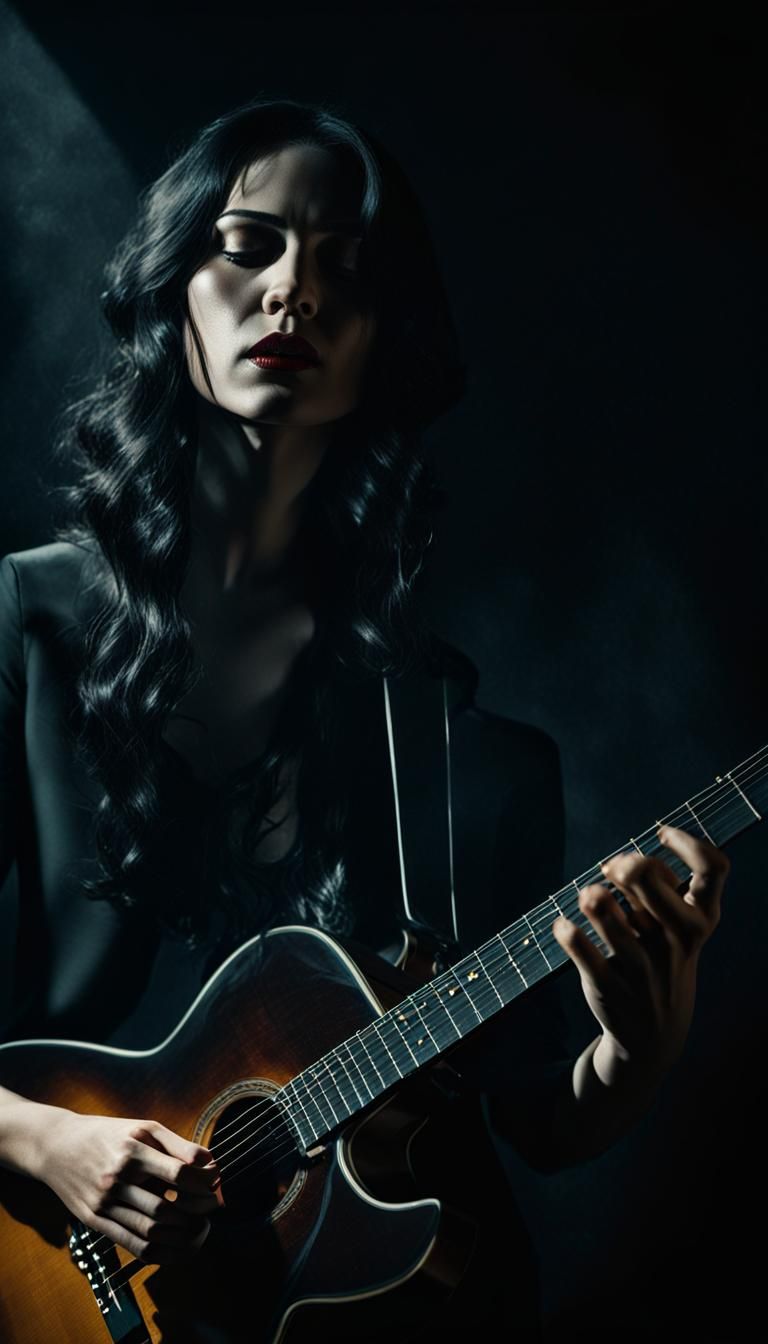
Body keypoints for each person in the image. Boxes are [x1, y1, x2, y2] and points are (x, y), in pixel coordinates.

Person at [0, 97, 729, 1341]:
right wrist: (43, 1139)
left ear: (386, 336)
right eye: (249, 246)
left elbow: (539, 1121)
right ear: (175, 287)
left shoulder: (464, 751)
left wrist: (634, 1059)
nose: (294, 292)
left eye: (349, 266)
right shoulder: (28, 617)